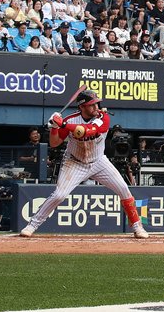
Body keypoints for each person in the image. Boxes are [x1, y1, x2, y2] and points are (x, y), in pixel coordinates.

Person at [18, 89, 149, 239]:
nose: (96, 107)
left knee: (124, 189)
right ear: (82, 107)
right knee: (59, 195)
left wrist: (62, 124)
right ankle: (32, 225)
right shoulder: (70, 120)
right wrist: (54, 127)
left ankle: (138, 227)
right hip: (74, 162)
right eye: (92, 105)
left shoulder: (103, 117)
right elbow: (54, 143)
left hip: (98, 161)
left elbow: (87, 131)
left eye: (97, 104)